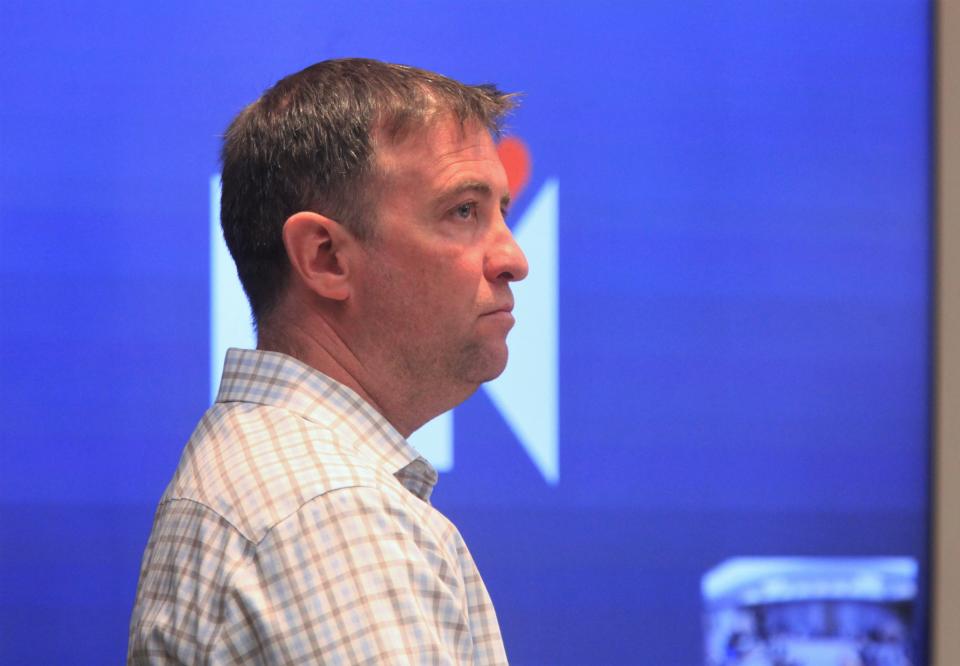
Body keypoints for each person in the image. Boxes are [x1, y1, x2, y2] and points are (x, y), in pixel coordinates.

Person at [128, 58, 528, 665]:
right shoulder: (333, 513)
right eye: (464, 211)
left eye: (502, 210)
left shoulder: (295, 481)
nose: (513, 257)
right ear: (325, 258)